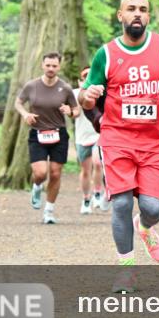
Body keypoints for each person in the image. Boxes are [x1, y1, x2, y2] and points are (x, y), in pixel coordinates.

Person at [78, 0, 159, 287]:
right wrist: (87, 96)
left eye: (143, 9)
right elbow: (86, 98)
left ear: (148, 16)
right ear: (120, 15)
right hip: (117, 138)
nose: (137, 13)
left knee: (153, 208)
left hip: (154, 141)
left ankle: (146, 228)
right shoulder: (107, 53)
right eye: (131, 9)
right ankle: (126, 271)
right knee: (122, 204)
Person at [16, 52, 80, 225]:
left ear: (59, 67)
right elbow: (18, 102)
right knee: (40, 173)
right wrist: (25, 114)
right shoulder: (32, 86)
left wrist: (71, 112)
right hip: (37, 134)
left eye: (54, 66)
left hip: (59, 134)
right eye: (48, 65)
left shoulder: (65, 88)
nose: (51, 68)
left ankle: (49, 211)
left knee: (55, 173)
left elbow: (77, 110)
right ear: (42, 65)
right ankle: (37, 187)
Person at [74, 66, 106, 214]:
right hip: (82, 138)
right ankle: (86, 199)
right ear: (80, 81)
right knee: (85, 170)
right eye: (84, 76)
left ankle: (98, 193)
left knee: (98, 163)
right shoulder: (75, 94)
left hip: (97, 136)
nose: (88, 78)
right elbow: (73, 112)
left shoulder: (101, 93)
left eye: (90, 75)